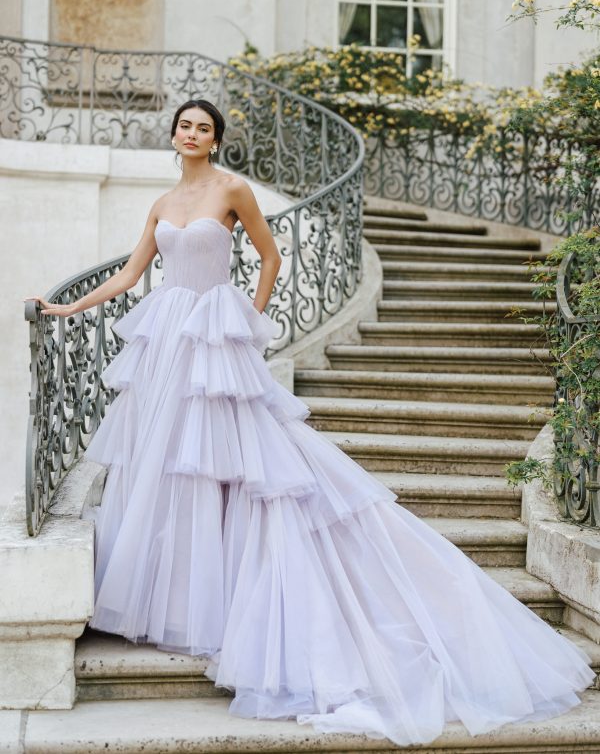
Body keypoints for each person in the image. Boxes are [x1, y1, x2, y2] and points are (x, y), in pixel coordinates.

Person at [25, 99, 595, 747]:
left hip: (218, 336)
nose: (192, 134)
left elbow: (269, 258)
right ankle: (189, 602)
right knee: (174, 468)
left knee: (243, 465)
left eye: (203, 128)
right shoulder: (160, 203)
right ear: (174, 134)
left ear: (216, 139)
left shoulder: (233, 188)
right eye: (185, 126)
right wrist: (65, 307)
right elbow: (131, 276)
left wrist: (249, 322)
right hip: (167, 341)